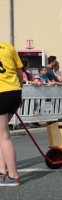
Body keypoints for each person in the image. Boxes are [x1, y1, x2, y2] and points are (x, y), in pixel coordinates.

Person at [0, 42, 23, 186]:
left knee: (3, 135)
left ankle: (13, 176)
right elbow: (20, 74)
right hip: (14, 92)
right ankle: (2, 171)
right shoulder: (8, 47)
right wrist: (19, 95)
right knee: (0, 134)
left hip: (1, 92)